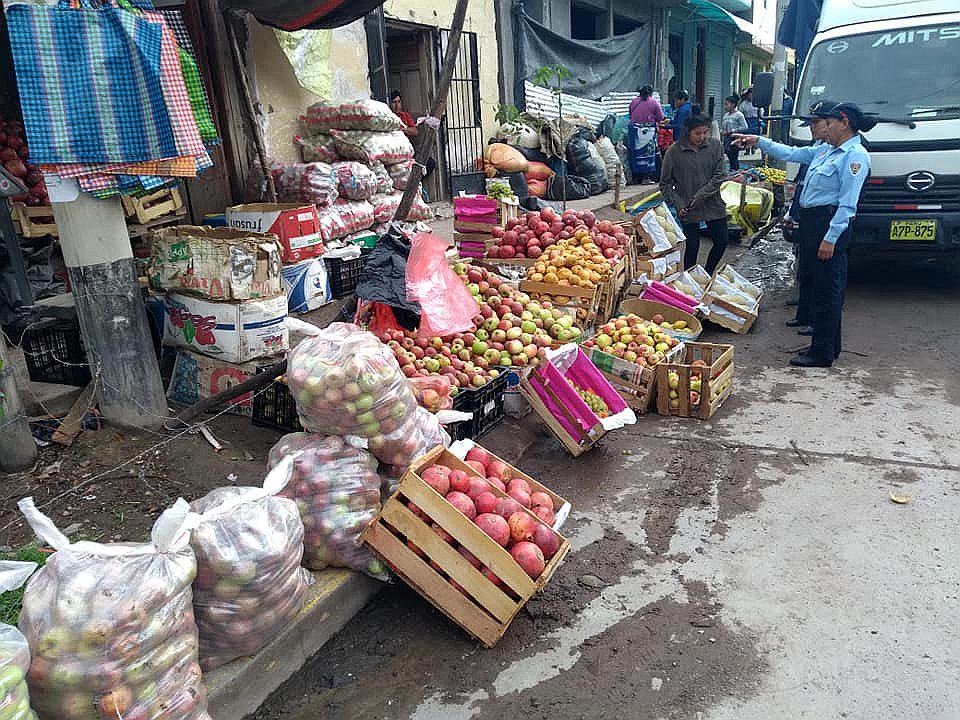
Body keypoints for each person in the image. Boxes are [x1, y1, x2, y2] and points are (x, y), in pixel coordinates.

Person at [733, 100, 874, 368]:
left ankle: (821, 352)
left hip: (827, 224)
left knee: (827, 290)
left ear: (844, 124)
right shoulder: (825, 151)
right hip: (812, 223)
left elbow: (847, 204)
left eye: (829, 124)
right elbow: (790, 152)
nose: (825, 129)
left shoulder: (854, 156)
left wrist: (830, 239)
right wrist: (759, 140)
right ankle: (829, 345)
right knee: (821, 285)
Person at [659, 112, 728, 274]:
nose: (702, 137)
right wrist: (678, 204)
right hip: (687, 206)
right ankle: (689, 279)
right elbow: (665, 183)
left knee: (722, 241)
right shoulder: (674, 152)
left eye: (705, 132)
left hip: (713, 203)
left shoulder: (716, 146)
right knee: (692, 245)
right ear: (688, 132)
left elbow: (719, 176)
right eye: (698, 133)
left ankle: (708, 272)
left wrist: (702, 195)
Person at [720, 95, 748, 171]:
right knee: (729, 156)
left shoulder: (739, 115)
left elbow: (745, 127)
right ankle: (733, 171)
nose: (725, 106)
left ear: (733, 105)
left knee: (734, 157)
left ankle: (735, 171)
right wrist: (722, 132)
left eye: (727, 104)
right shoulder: (725, 115)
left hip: (735, 138)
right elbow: (723, 127)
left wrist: (732, 131)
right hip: (727, 139)